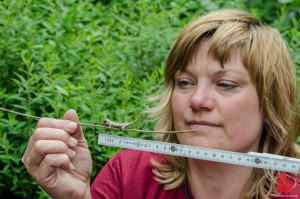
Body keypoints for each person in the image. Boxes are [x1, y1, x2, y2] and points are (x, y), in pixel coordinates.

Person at [22, 9, 300, 199]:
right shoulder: (127, 174)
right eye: (185, 82)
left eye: (225, 84)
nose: (197, 100)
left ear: (270, 102)